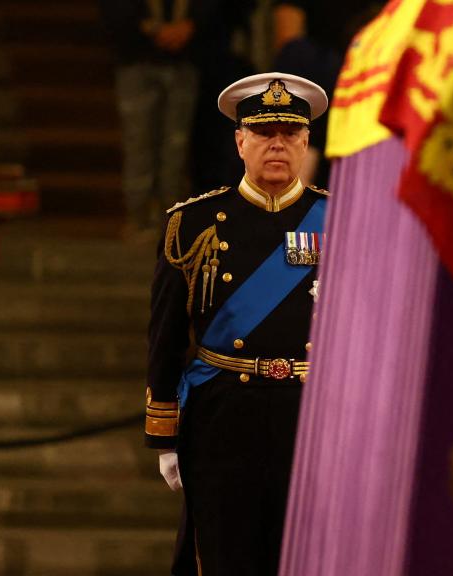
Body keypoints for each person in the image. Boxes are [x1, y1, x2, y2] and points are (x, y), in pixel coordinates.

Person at [142, 72, 330, 576]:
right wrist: (164, 433)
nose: (277, 144)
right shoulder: (196, 222)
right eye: (264, 133)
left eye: (290, 134)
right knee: (225, 558)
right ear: (239, 140)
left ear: (307, 142)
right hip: (223, 417)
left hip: (309, 417)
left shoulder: (338, 222)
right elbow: (165, 335)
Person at [100, 0, 203, 239]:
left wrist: (191, 26)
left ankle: (173, 218)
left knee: (177, 144)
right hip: (135, 54)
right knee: (139, 142)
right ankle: (139, 217)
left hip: (187, 56)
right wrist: (151, 29)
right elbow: (113, 11)